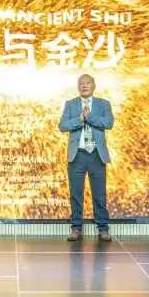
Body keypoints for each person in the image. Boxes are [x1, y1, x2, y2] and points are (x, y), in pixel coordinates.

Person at [59, 74, 113, 242]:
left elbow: (108, 123)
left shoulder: (103, 104)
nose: (84, 86)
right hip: (77, 155)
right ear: (78, 86)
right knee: (76, 193)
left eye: (87, 83)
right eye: (81, 83)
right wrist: (80, 119)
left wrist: (90, 117)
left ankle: (103, 228)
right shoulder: (70, 104)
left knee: (99, 194)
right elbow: (63, 125)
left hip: (97, 155)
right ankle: (76, 228)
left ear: (93, 85)